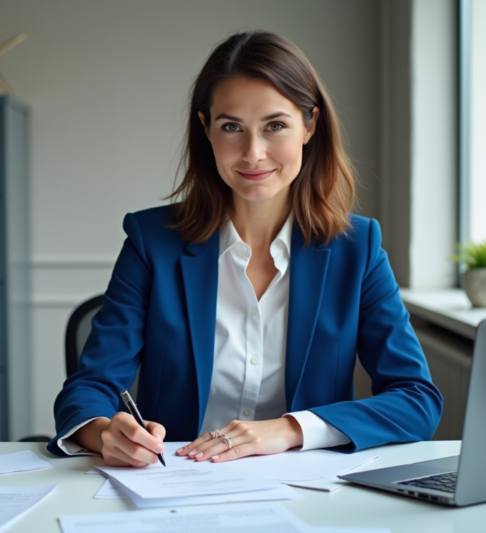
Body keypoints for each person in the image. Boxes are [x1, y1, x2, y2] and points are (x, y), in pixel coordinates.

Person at [48, 30, 443, 467]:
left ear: (310, 125)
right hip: (175, 486)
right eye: (231, 127)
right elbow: (88, 388)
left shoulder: (358, 249)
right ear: (206, 129)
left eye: (275, 126)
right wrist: (105, 433)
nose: (253, 153)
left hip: (307, 492)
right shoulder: (151, 241)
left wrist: (290, 429)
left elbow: (417, 401)